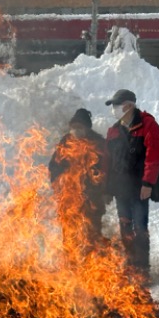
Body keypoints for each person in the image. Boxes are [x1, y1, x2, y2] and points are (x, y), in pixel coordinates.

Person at [105, 89, 159, 272]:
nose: (114, 109)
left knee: (140, 227)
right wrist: (107, 187)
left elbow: (153, 157)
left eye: (116, 105)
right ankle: (129, 264)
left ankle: (142, 267)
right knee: (125, 226)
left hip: (139, 188)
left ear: (128, 106)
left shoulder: (148, 125)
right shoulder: (113, 131)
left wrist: (148, 183)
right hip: (121, 188)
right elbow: (108, 161)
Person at [48, 108, 109, 261]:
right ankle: (70, 264)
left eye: (80, 127)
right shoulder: (65, 142)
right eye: (74, 127)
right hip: (69, 197)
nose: (76, 130)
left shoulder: (98, 143)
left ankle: (94, 264)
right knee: (69, 232)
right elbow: (53, 166)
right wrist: (57, 183)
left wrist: (106, 190)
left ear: (87, 128)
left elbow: (107, 168)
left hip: (92, 198)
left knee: (92, 233)